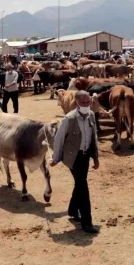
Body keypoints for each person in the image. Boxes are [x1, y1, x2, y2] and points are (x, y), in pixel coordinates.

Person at [50, 91, 100, 234]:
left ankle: (72, 210)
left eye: (88, 102)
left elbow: (94, 136)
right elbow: (59, 139)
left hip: (85, 156)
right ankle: (87, 222)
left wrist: (96, 158)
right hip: (73, 157)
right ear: (76, 102)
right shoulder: (69, 119)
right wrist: (56, 158)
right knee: (83, 187)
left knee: (80, 182)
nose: (86, 105)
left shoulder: (91, 115)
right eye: (83, 102)